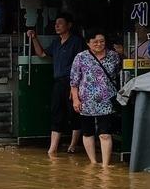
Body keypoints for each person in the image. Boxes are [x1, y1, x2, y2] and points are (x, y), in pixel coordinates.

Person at [26, 13, 86, 157]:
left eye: (60, 23)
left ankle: (72, 145)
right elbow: (41, 54)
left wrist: (75, 87)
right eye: (56, 24)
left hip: (73, 82)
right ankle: (52, 149)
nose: (57, 26)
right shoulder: (56, 43)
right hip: (59, 82)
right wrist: (34, 38)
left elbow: (81, 65)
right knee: (56, 112)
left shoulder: (76, 42)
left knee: (74, 113)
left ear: (69, 25)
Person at [70, 31, 123, 168]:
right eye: (95, 42)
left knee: (105, 133)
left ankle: (105, 165)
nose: (99, 44)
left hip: (106, 101)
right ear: (88, 43)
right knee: (88, 132)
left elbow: (119, 73)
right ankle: (93, 162)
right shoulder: (80, 57)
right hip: (86, 101)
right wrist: (76, 100)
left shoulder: (114, 56)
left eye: (102, 41)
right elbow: (74, 82)